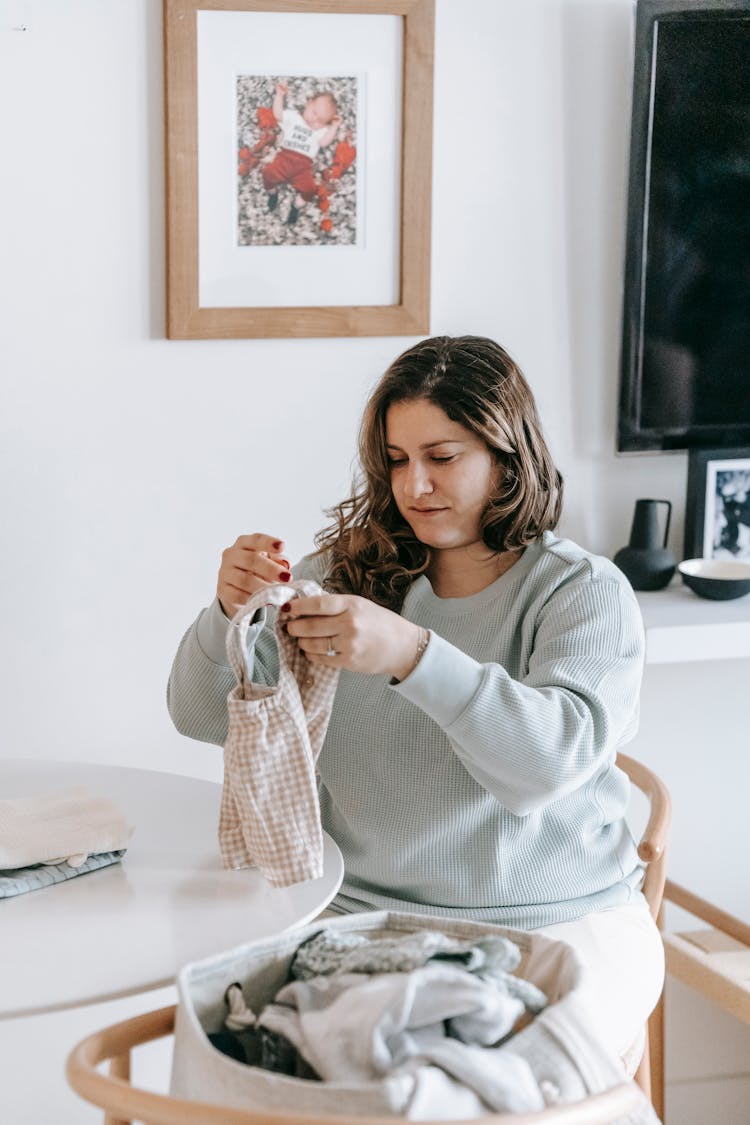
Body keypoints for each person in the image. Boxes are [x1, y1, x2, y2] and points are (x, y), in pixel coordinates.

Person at [167, 334, 664, 1068]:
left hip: (559, 921)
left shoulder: (580, 592)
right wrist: (224, 610)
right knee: (223, 1053)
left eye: (443, 456)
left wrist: (411, 655)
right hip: (357, 914)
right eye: (397, 460)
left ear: (506, 452)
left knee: (458, 1083)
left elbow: (547, 765)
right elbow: (202, 714)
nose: (415, 486)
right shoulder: (341, 576)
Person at [261, 82, 341, 225]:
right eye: (314, 112)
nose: (314, 120)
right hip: (284, 159)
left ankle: (295, 207)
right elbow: (278, 115)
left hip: (303, 168)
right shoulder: (294, 118)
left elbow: (323, 142)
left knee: (310, 190)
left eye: (320, 121)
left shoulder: (320, 131)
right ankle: (273, 194)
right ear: (308, 103)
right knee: (267, 174)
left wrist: (333, 127)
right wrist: (279, 96)